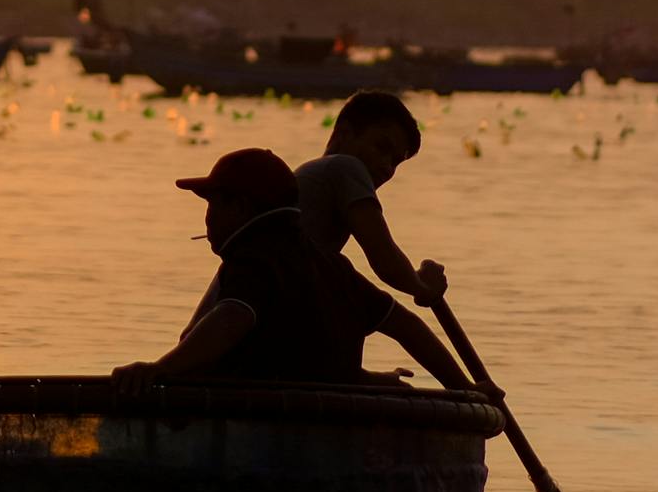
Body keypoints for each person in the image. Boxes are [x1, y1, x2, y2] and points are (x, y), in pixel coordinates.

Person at [117, 146, 467, 389]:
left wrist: (158, 370)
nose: (207, 219)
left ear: (239, 206)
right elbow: (406, 325)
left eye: (211, 204)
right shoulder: (334, 266)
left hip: (258, 434)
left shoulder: (253, 260)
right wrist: (465, 388)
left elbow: (232, 318)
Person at [296, 88, 449, 313]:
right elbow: (384, 258)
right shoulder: (345, 167)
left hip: (286, 291)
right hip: (275, 295)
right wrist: (423, 289)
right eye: (381, 147)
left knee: (388, 313)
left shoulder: (316, 173)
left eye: (396, 162)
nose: (386, 167)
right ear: (344, 135)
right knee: (400, 320)